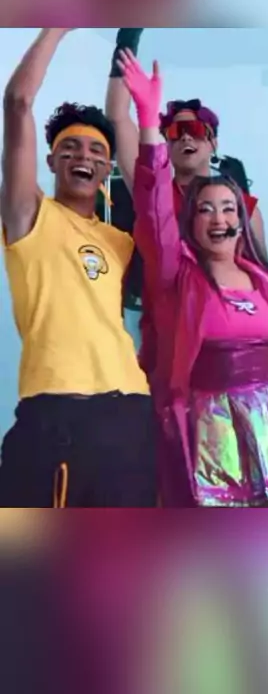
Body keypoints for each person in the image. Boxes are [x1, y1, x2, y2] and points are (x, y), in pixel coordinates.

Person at [119, 49, 268, 507]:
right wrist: (147, 122)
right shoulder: (178, 275)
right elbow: (154, 211)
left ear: (242, 218)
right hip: (210, 429)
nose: (219, 218)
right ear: (191, 222)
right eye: (205, 209)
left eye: (228, 209)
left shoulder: (266, 282)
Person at [0, 27, 156, 507]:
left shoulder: (121, 241)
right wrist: (57, 26)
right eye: (70, 149)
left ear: (107, 172)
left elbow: (153, 191)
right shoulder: (29, 216)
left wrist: (139, 114)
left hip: (130, 415)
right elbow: (18, 104)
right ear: (51, 161)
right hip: (55, 418)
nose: (83, 157)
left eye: (96, 152)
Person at [107, 28, 267, 381]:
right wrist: (127, 39)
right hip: (159, 326)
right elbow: (118, 116)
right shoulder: (153, 192)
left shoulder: (241, 204)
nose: (185, 138)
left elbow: (262, 273)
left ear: (213, 142)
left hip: (222, 326)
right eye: (174, 134)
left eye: (194, 130)